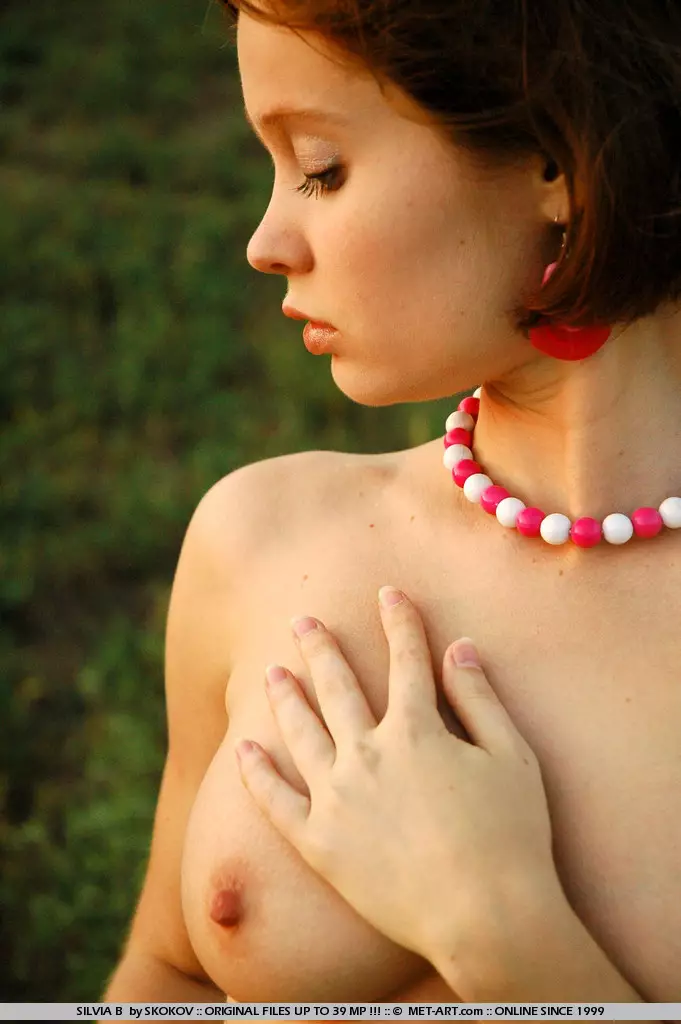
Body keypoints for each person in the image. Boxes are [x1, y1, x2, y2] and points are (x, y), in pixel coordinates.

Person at [104, 0, 681, 1014]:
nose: (265, 241)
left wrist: (500, 927)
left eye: (320, 168)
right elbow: (167, 973)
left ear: (558, 163)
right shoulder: (256, 539)